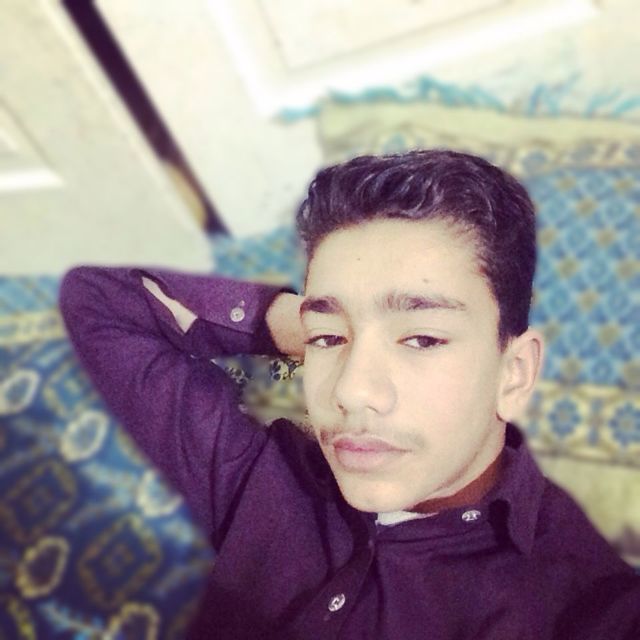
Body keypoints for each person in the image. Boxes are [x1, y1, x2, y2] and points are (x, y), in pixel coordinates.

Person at [59, 150, 640, 639]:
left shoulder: (585, 607)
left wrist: (337, 327)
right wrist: (297, 323)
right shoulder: (259, 477)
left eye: (422, 338)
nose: (351, 390)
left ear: (513, 373)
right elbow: (97, 300)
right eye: (329, 340)